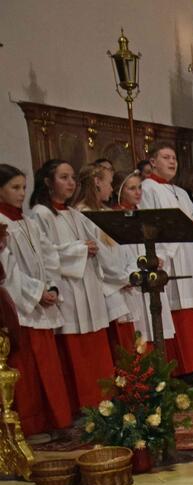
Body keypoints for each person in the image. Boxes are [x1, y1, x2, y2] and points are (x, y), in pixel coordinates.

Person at [29, 159, 114, 411]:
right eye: (63, 177)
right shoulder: (40, 214)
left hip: (88, 284)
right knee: (76, 350)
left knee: (95, 345)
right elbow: (43, 255)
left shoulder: (76, 213)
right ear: (47, 182)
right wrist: (79, 249)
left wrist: (92, 248)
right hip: (68, 288)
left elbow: (94, 242)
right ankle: (84, 404)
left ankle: (104, 401)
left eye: (73, 177)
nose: (70, 183)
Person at [0, 164, 72, 439]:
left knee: (49, 368)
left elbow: (50, 256)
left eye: (23, 188)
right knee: (27, 370)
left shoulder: (27, 222)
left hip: (41, 302)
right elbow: (6, 271)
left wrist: (51, 286)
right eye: (14, 188)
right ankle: (32, 425)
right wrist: (36, 293)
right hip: (20, 308)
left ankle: (56, 420)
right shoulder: (1, 224)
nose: (21, 194)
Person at [139, 143, 193, 384]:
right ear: (152, 162)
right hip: (170, 257)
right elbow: (151, 224)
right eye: (166, 157)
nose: (172, 161)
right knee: (178, 312)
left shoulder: (180, 191)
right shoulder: (148, 189)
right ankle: (182, 368)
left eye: (174, 158)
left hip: (189, 254)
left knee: (192, 312)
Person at [72, 163, 135, 355]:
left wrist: (130, 272)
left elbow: (125, 250)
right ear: (97, 182)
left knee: (131, 343)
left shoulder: (107, 213)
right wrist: (123, 278)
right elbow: (100, 255)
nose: (112, 188)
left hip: (122, 283)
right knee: (117, 348)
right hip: (105, 288)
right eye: (109, 182)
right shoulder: (81, 214)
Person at [110, 170, 176, 349]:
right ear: (119, 191)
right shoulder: (114, 218)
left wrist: (158, 258)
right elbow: (116, 254)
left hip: (151, 279)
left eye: (139, 187)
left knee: (156, 328)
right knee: (139, 335)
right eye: (132, 188)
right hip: (132, 282)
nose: (138, 192)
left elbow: (159, 243)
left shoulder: (146, 215)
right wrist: (132, 273)